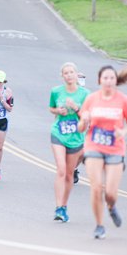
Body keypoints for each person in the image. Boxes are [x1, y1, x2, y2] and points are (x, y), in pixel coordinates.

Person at [77, 65, 127, 239]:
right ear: (99, 81)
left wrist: (123, 133)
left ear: (116, 80)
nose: (109, 81)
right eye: (105, 78)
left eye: (111, 78)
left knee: (110, 192)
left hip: (115, 148)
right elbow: (80, 128)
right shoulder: (91, 99)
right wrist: (85, 121)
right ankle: (99, 225)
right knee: (96, 188)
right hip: (93, 145)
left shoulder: (123, 100)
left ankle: (111, 207)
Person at [49, 62, 89, 222]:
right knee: (61, 169)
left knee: (69, 174)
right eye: (66, 73)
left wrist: (76, 109)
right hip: (58, 132)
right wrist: (58, 111)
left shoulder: (85, 94)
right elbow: (51, 108)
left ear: (76, 74)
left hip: (76, 136)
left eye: (71, 72)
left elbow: (87, 118)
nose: (69, 75)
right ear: (62, 76)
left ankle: (64, 206)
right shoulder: (56, 91)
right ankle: (58, 207)